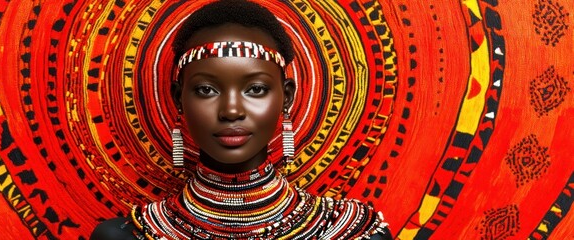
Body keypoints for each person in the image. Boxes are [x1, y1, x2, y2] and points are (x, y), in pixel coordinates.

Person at [91, 0, 391, 239]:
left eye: (256, 89)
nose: (231, 110)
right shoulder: (127, 235)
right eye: (206, 89)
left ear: (286, 96)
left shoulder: (353, 232)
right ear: (178, 98)